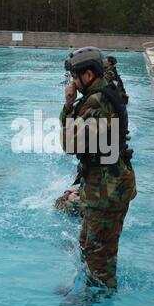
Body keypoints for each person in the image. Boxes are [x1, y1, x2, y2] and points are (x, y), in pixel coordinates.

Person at [59, 47, 137, 291]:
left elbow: (69, 143)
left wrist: (67, 104)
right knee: (88, 243)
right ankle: (91, 287)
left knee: (99, 252)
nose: (72, 81)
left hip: (107, 189)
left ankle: (101, 296)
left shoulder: (97, 101)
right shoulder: (102, 94)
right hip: (104, 184)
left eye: (75, 76)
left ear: (89, 75)